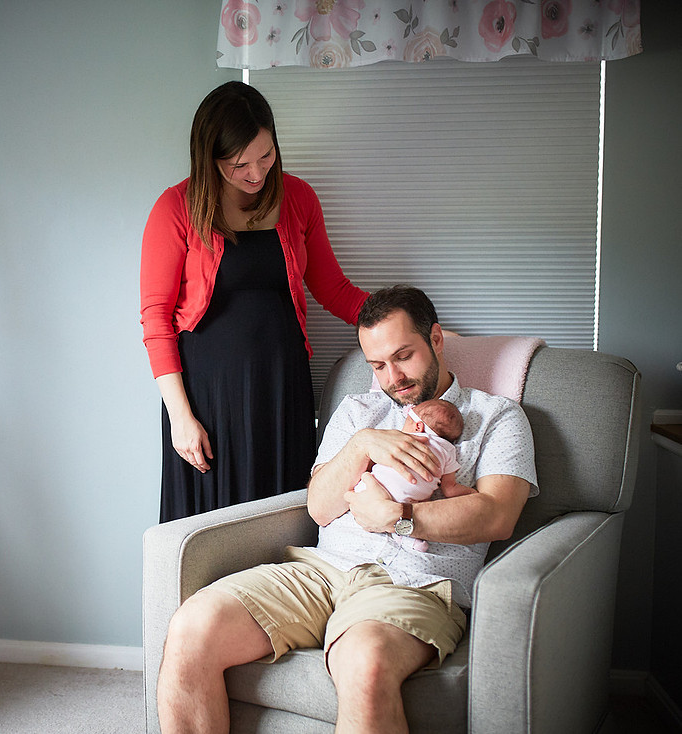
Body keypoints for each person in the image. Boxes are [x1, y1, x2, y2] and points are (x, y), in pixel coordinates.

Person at [156, 285, 537, 734]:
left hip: (416, 581)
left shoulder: (496, 417)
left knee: (365, 662)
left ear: (436, 339)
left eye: (403, 356)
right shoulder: (359, 411)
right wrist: (362, 445)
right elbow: (319, 507)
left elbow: (497, 515)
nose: (392, 377)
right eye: (377, 365)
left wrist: (399, 517)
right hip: (322, 571)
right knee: (191, 627)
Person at [140, 80, 368, 522]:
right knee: (212, 531)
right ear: (210, 158)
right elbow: (155, 319)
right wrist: (181, 418)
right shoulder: (175, 208)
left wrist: (406, 324)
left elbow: (334, 290)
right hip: (208, 399)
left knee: (280, 525)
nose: (256, 172)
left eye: (266, 155)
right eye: (238, 164)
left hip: (282, 390)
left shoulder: (299, 198)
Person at [353, 398, 473, 552]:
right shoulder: (449, 452)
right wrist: (471, 492)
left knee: (362, 482)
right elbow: (450, 489)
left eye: (407, 421)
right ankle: (409, 538)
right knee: (415, 507)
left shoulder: (402, 439)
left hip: (377, 487)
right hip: (410, 502)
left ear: (418, 426)